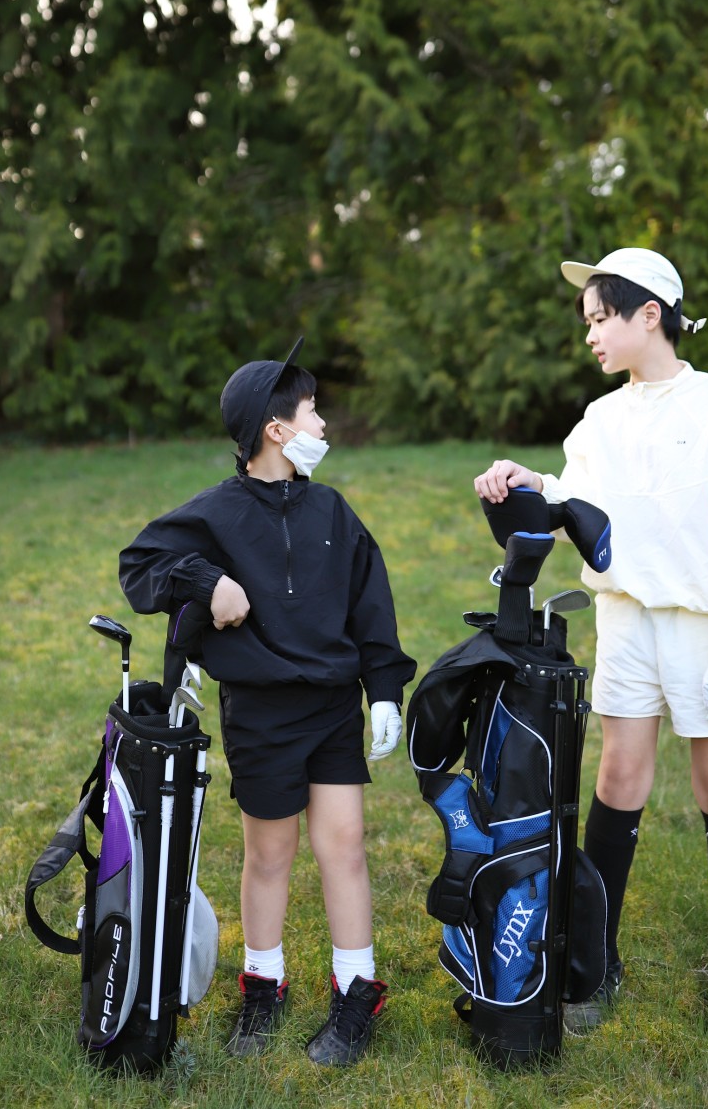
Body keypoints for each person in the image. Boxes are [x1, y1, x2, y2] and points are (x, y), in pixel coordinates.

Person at [474, 247, 708, 1039]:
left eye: (602, 318)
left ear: (650, 314)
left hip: (704, 627)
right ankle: (595, 957)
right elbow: (577, 505)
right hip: (626, 619)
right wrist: (524, 485)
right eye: (588, 322)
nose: (591, 334)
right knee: (620, 774)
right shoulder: (601, 418)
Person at [119, 338, 416, 1065]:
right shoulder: (217, 513)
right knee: (269, 854)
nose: (324, 424)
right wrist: (206, 582)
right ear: (275, 429)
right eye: (313, 412)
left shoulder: (335, 513)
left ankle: (356, 989)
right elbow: (140, 563)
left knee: (343, 845)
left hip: (331, 706)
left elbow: (370, 606)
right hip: (259, 712)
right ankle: (265, 982)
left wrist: (382, 692)